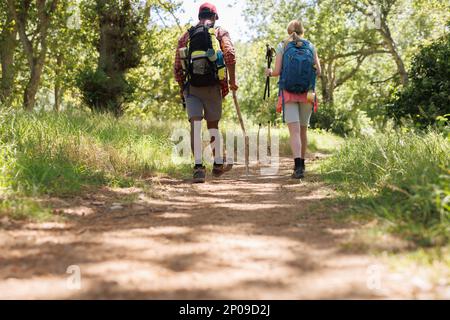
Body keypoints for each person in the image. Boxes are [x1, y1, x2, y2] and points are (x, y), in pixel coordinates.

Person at [174, 2, 238, 183]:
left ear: (199, 16)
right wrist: (232, 82)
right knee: (213, 126)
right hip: (213, 87)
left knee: (195, 125)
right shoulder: (219, 32)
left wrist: (183, 88)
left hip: (192, 87)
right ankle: (217, 164)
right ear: (215, 17)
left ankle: (198, 169)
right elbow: (230, 55)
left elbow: (178, 67)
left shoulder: (187, 35)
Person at [265, 20, 321, 179]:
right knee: (303, 130)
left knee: (294, 131)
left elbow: (276, 71)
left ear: (288, 31)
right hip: (308, 93)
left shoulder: (283, 45)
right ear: (303, 31)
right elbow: (319, 71)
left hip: (288, 93)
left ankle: (297, 167)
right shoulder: (311, 46)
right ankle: (302, 166)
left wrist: (268, 71)